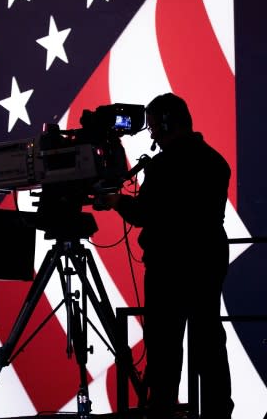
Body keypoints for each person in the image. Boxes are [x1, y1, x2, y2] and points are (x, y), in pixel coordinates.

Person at [101, 93, 234, 419]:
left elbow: (145, 213)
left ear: (164, 123)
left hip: (169, 266)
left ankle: (162, 410)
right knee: (209, 341)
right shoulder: (217, 162)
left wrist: (117, 202)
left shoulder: (163, 166)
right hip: (209, 260)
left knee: (164, 346)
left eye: (154, 127)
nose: (151, 135)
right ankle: (219, 412)